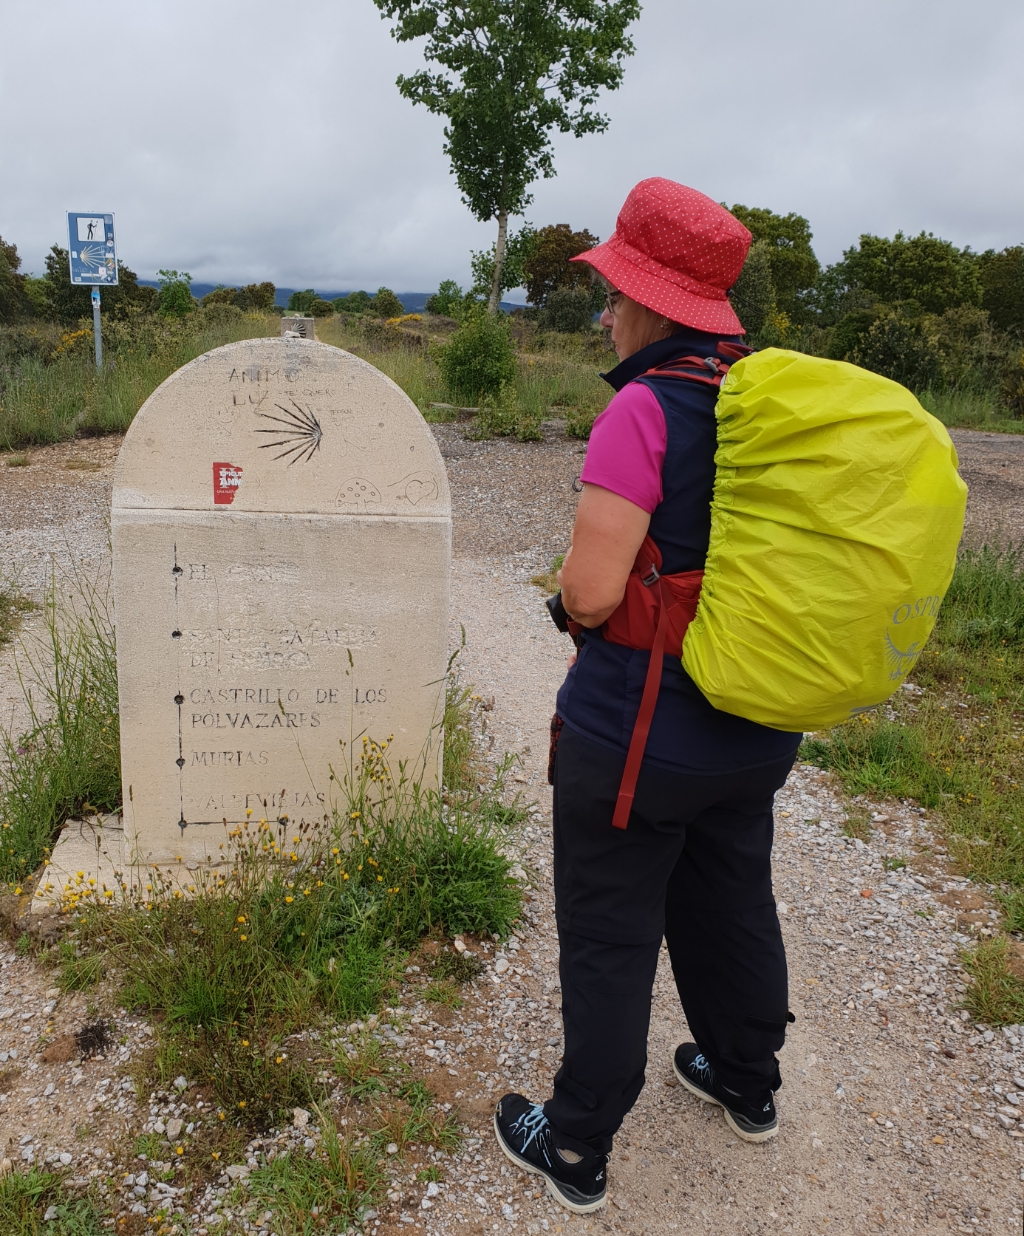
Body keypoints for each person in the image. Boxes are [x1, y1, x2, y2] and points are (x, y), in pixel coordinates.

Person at [492, 179, 803, 1214]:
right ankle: (747, 1082)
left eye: (613, 291)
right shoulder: (766, 399)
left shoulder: (644, 405)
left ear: (646, 300)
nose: (605, 310)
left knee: (611, 930)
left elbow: (587, 590)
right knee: (729, 905)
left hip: (635, 744)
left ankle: (575, 1146)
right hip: (754, 724)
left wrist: (588, 596)